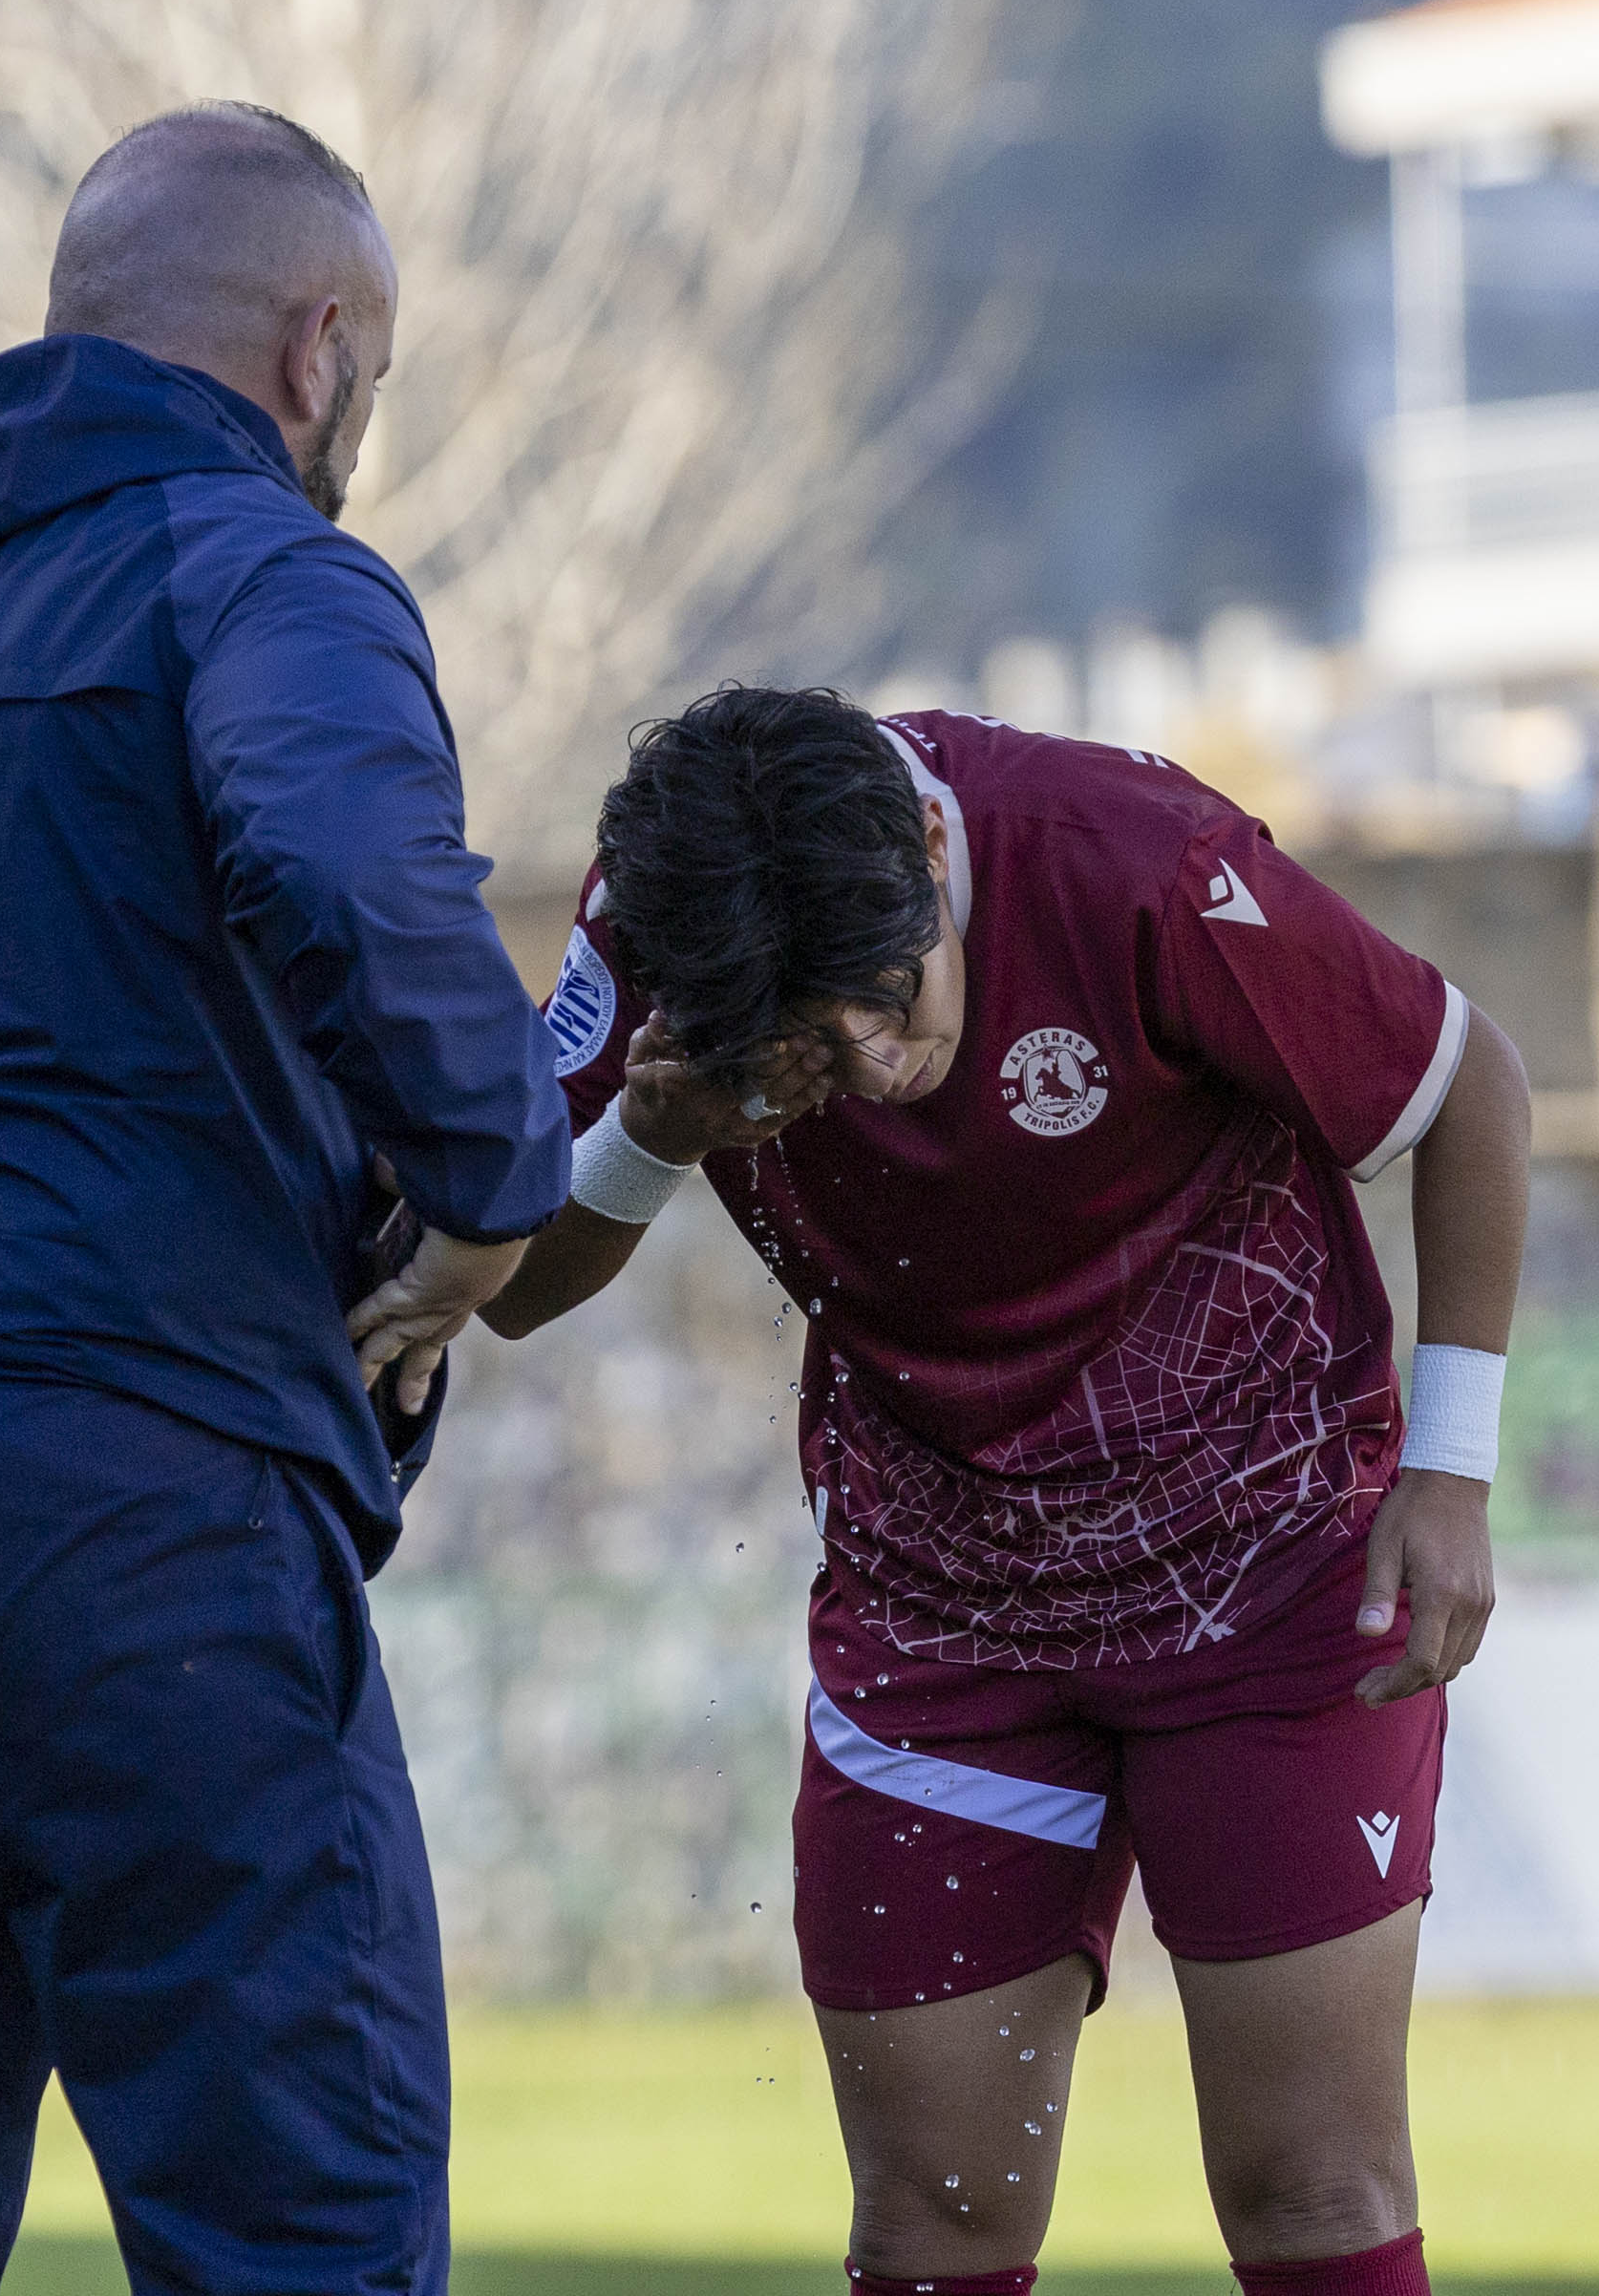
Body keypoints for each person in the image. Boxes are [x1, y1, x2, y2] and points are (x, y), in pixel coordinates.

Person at [0, 103, 565, 2296]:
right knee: (300, 2226)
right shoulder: (264, 573)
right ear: (318, 347)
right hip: (130, 1498)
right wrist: (489, 1190)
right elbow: (348, 865)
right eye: (373, 374)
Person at [483, 686, 1530, 2296]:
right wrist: (650, 1132)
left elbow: (1469, 1085)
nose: (874, 1067)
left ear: (928, 842)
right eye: (809, 1043)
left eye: (887, 996)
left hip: (1265, 1571)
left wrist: (1451, 1471)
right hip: (939, 1614)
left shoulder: (1135, 860)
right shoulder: (663, 923)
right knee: (932, 2220)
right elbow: (510, 1288)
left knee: (1311, 2191)